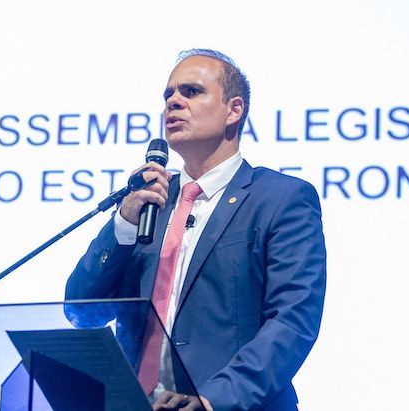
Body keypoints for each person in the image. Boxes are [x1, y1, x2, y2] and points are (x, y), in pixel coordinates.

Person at [65, 48, 326, 410]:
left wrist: (212, 400)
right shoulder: (149, 203)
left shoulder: (281, 199)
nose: (173, 102)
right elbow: (82, 312)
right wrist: (123, 224)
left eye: (191, 92)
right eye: (168, 95)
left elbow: (292, 322)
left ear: (234, 110)